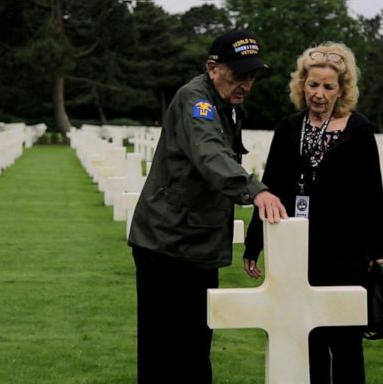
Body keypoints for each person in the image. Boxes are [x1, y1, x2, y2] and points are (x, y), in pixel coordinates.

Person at [128, 29, 287, 384]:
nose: (245, 84)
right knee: (164, 349)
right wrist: (254, 190)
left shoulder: (227, 105)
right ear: (213, 68)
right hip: (167, 243)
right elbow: (209, 153)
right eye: (238, 74)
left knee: (196, 345)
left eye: (252, 77)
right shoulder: (195, 100)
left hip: (197, 242)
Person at [243, 41, 383, 384]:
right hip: (297, 251)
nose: (319, 93)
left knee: (346, 342)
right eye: (312, 84)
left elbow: (373, 197)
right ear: (301, 85)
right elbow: (270, 187)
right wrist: (253, 244)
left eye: (328, 86)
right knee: (308, 341)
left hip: (345, 254)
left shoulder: (359, 130)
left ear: (342, 89)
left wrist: (379, 253)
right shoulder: (289, 127)